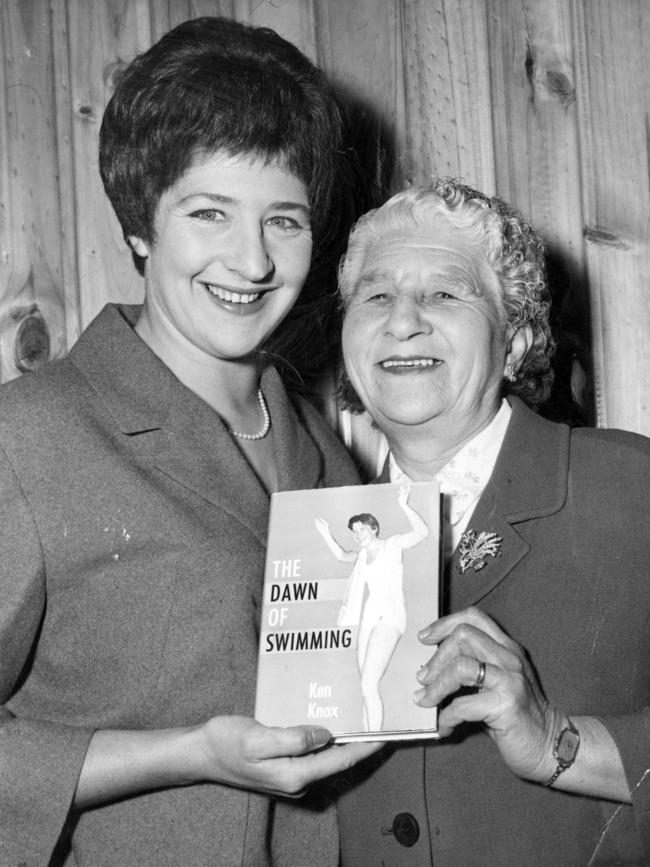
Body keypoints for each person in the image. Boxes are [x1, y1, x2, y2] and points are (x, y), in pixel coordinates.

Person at [0, 17, 378, 867]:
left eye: (284, 220)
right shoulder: (28, 439)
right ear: (141, 224)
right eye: (210, 212)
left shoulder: (326, 453)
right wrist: (186, 752)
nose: (251, 261)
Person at [334, 178, 650, 865]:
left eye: (445, 293)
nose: (403, 319)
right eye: (376, 294)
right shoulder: (307, 536)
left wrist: (562, 741)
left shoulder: (633, 488)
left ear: (517, 339)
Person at [314, 486, 429, 731]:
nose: (357, 534)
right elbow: (340, 555)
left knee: (369, 685)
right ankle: (366, 736)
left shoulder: (392, 545)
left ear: (373, 528)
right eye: (354, 532)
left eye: (360, 529)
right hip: (368, 619)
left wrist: (404, 505)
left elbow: (422, 532)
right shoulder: (361, 555)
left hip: (390, 618)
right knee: (363, 688)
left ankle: (373, 738)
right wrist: (325, 533)